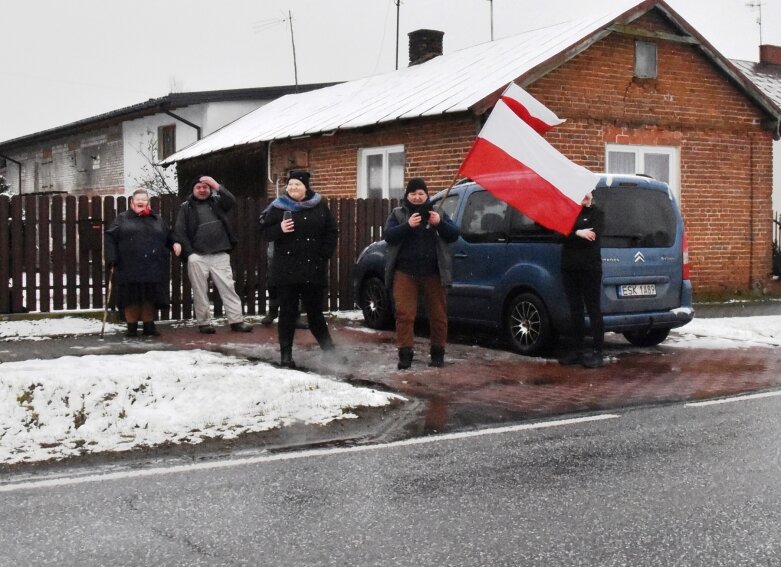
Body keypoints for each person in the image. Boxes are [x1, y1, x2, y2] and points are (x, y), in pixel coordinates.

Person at [259, 170, 340, 368]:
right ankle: (286, 355)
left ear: (306, 187)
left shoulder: (319, 205)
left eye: (298, 184)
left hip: (313, 268)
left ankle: (330, 353)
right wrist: (279, 229)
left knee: (315, 313)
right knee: (287, 313)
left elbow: (332, 230)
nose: (293, 188)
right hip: (287, 269)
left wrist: (324, 254)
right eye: (291, 184)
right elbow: (263, 232)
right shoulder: (278, 207)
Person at [383, 177, 459, 370]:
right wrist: (407, 226)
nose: (417, 197)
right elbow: (389, 236)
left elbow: (453, 235)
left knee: (438, 315)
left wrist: (440, 223)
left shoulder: (437, 212)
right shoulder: (398, 213)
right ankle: (405, 354)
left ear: (426, 195)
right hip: (405, 273)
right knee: (404, 315)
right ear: (407, 195)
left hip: (433, 273)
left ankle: (437, 354)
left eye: (421, 193)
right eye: (413, 193)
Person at [173, 175, 253, 334]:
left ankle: (237, 321)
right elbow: (179, 232)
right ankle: (204, 323)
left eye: (205, 187)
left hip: (220, 253)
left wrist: (216, 185)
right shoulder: (186, 207)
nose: (202, 190)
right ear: (193, 190)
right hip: (197, 256)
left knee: (229, 288)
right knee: (200, 291)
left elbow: (231, 200)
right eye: (199, 187)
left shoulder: (218, 202)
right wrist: (189, 254)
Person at [104, 188, 181, 337]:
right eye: (138, 199)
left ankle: (149, 326)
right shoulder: (122, 219)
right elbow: (110, 238)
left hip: (152, 267)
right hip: (129, 267)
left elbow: (169, 235)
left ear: (148, 202)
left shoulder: (157, 219)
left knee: (149, 298)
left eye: (144, 199)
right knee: (131, 298)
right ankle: (131, 328)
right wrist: (111, 257)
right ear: (132, 202)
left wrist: (175, 243)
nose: (141, 201)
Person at [558, 190, 605, 369]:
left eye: (588, 191)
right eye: (581, 190)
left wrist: (570, 234)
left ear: (592, 194)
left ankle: (598, 353)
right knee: (575, 309)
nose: (585, 194)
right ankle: (578, 351)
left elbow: (592, 238)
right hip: (569, 268)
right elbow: (557, 235)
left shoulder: (597, 213)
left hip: (590, 269)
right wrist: (577, 233)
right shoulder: (568, 212)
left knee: (593, 309)